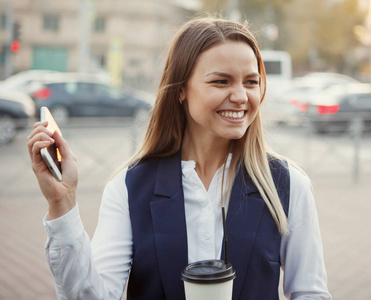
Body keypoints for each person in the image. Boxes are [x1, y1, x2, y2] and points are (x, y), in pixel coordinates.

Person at [27, 16, 331, 300]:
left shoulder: (288, 185)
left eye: (251, 82)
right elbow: (92, 295)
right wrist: (62, 204)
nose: (240, 96)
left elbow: (310, 293)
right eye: (221, 81)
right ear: (181, 90)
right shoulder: (129, 187)